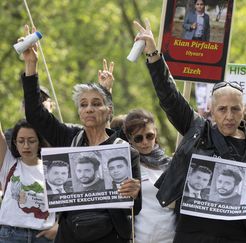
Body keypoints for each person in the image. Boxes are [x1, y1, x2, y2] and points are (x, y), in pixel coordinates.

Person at [134, 19, 246, 243]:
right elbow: (170, 97)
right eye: (222, 109)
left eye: (235, 109)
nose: (229, 115)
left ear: (243, 110)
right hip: (193, 235)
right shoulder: (197, 131)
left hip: (239, 236)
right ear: (212, 111)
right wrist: (153, 54)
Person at [20, 25, 141, 243]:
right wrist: (31, 64)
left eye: (96, 104)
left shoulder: (124, 150)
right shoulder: (69, 138)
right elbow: (35, 114)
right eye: (83, 104)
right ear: (79, 111)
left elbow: (136, 207)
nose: (89, 109)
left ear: (109, 111)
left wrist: (135, 191)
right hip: (70, 235)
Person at [123, 108, 175, 243]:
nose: (145, 142)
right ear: (130, 139)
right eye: (138, 138)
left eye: (149, 136)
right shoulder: (126, 167)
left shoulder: (170, 164)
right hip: (141, 238)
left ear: (156, 133)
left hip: (172, 236)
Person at [0, 119, 57, 242]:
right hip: (10, 236)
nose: (26, 146)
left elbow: (70, 203)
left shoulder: (54, 169)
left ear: (39, 142)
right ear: (15, 143)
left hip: (42, 238)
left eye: (31, 141)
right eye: (21, 141)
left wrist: (58, 227)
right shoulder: (8, 163)